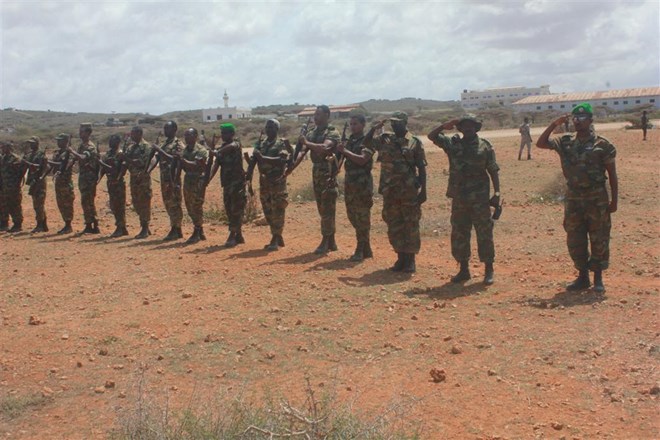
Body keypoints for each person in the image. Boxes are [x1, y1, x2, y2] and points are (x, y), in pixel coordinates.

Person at [536, 103, 618, 293]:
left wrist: (614, 201)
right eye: (575, 118)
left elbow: (612, 174)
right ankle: (583, 277)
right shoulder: (565, 142)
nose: (577, 121)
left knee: (599, 237)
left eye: (582, 118)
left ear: (590, 120)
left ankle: (598, 278)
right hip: (574, 198)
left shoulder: (603, 145)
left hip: (596, 198)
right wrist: (554, 124)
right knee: (575, 238)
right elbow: (541, 143)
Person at [428, 114, 500, 284]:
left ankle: (488, 269)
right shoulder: (453, 144)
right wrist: (444, 125)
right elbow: (432, 136)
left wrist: (497, 193)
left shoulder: (485, 146)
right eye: (465, 126)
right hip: (459, 199)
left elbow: (493, 170)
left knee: (484, 233)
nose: (468, 128)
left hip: (480, 199)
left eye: (471, 125)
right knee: (460, 233)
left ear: (476, 128)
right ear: (460, 129)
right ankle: (463, 270)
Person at [365, 111, 426, 273]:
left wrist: (423, 191)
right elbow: (366, 143)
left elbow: (421, 167)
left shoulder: (414, 142)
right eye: (392, 122)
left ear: (405, 123)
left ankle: (410, 260)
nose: (394, 125)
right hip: (390, 191)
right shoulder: (385, 140)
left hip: (408, 191)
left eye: (398, 122)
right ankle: (400, 257)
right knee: (394, 224)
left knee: (410, 224)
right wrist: (374, 128)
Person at [293, 105, 341, 254]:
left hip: (328, 172)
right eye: (315, 114)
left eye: (318, 114)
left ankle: (326, 240)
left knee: (327, 207)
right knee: (322, 207)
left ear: (327, 115)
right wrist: (291, 166)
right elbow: (302, 152)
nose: (315, 117)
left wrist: (306, 142)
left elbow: (324, 148)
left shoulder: (332, 132)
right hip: (316, 172)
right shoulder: (312, 133)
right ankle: (331, 241)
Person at [246, 119, 292, 251]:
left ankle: (275, 237)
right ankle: (277, 235)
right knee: (267, 209)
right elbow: (254, 161)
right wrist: (249, 174)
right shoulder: (261, 143)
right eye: (267, 127)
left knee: (278, 208)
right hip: (264, 181)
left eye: (271, 127)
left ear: (277, 129)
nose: (268, 130)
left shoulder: (281, 144)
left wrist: (262, 158)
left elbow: (282, 161)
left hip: (277, 181)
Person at [337, 113, 374, 261]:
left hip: (362, 184)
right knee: (352, 215)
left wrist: (345, 151)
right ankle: (366, 247)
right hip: (350, 183)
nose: (352, 127)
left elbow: (363, 160)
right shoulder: (350, 141)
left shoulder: (368, 141)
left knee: (362, 216)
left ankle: (360, 248)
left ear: (363, 125)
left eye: (355, 124)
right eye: (351, 124)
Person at [208, 123, 246, 247]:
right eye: (222, 133)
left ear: (232, 134)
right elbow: (216, 165)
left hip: (237, 183)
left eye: (226, 133)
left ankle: (232, 234)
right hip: (227, 183)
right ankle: (238, 234)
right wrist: (208, 179)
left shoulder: (236, 144)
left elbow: (228, 148)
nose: (223, 135)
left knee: (237, 208)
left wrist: (216, 151)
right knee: (229, 208)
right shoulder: (222, 148)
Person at [147, 121, 184, 241]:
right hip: (164, 178)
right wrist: (148, 170)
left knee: (175, 203)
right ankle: (175, 228)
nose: (165, 131)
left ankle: (176, 228)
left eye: (168, 128)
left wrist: (159, 150)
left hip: (173, 178)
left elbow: (176, 159)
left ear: (175, 129)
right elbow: (157, 158)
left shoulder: (178, 144)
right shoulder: (164, 143)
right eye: (164, 128)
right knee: (167, 202)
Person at [67, 123, 100, 234]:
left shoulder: (90, 147)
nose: (80, 133)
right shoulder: (82, 146)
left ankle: (94, 225)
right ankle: (89, 224)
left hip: (89, 178)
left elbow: (83, 158)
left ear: (88, 133)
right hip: (84, 177)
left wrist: (72, 151)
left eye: (82, 131)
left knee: (89, 201)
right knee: (85, 201)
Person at [178, 128, 209, 244]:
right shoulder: (185, 150)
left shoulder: (201, 150)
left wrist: (183, 161)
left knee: (196, 205)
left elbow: (198, 165)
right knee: (189, 205)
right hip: (188, 179)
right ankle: (199, 230)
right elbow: (182, 166)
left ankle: (197, 230)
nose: (186, 138)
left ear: (195, 136)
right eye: (185, 135)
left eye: (189, 135)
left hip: (198, 180)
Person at [122, 126, 152, 239]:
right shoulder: (131, 147)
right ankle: (145, 226)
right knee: (136, 203)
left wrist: (126, 159)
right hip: (134, 178)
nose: (131, 136)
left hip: (143, 179)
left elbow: (141, 163)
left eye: (133, 134)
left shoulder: (146, 147)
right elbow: (126, 160)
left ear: (139, 134)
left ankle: (145, 227)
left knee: (144, 203)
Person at [99, 134, 128, 237]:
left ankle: (121, 227)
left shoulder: (120, 154)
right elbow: (104, 169)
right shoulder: (108, 154)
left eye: (113, 141)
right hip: (110, 182)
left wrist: (102, 163)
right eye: (110, 141)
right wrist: (99, 178)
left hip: (118, 183)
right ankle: (121, 227)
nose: (110, 143)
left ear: (118, 142)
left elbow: (117, 169)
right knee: (113, 205)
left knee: (119, 206)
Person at [48, 133, 75, 234]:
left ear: (66, 141)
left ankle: (68, 225)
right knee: (60, 203)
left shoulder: (69, 153)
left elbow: (64, 165)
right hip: (58, 181)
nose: (58, 142)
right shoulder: (57, 153)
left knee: (67, 203)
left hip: (66, 182)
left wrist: (50, 162)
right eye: (57, 140)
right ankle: (66, 223)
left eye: (60, 140)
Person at [21, 136, 48, 232]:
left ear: (37, 143)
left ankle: (40, 225)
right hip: (33, 181)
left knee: (39, 204)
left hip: (39, 181)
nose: (31, 145)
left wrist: (28, 163)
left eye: (33, 143)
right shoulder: (30, 154)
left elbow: (41, 166)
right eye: (30, 143)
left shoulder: (41, 154)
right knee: (36, 203)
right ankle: (43, 224)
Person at [0, 142, 24, 232]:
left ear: (9, 148)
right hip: (4, 187)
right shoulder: (3, 158)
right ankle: (4, 223)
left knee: (15, 205)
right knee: (4, 205)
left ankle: (18, 224)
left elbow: (21, 172)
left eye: (4, 147)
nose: (2, 149)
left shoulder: (15, 158)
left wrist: (16, 184)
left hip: (13, 187)